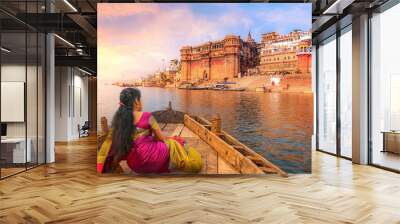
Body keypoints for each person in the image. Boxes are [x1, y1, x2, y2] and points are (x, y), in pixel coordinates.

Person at [97, 87, 202, 174]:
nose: (142, 102)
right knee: (173, 143)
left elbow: (117, 146)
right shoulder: (147, 116)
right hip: (154, 159)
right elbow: (161, 138)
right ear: (136, 101)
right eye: (140, 99)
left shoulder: (118, 121)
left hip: (135, 166)